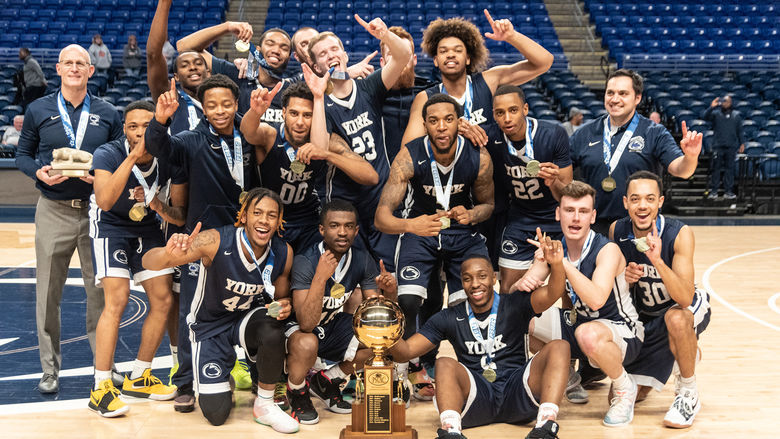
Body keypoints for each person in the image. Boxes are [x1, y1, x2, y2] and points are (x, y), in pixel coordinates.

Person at [144, 74, 263, 411]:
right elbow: (159, 148)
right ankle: (185, 382)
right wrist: (160, 120)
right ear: (202, 108)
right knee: (191, 313)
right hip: (205, 244)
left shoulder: (250, 136)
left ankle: (260, 377)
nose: (220, 110)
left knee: (254, 307)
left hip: (249, 241)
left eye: (226, 103)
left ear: (236, 103)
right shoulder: (191, 140)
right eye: (211, 105)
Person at [142, 188, 299, 432]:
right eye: (257, 213)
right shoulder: (215, 240)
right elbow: (148, 262)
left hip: (246, 320)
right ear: (244, 216)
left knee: (272, 327)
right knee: (216, 414)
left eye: (271, 215)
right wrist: (167, 253)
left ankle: (265, 405)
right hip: (210, 325)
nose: (264, 220)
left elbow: (279, 300)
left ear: (279, 222)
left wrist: (284, 306)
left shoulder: (283, 252)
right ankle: (221, 376)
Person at [16, 44, 123, 394]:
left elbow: (121, 158)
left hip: (96, 213)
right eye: (69, 63)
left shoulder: (108, 112)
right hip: (53, 209)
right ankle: (49, 369)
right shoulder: (38, 109)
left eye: (82, 63)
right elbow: (23, 154)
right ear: (58, 69)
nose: (75, 68)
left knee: (100, 294)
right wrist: (39, 174)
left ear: (91, 71)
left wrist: (103, 178)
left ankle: (103, 366)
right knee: (48, 295)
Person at [375, 94, 495, 393]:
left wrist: (472, 213)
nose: (441, 127)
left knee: (469, 302)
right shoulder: (409, 156)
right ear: (424, 124)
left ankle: (472, 371)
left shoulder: (478, 157)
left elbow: (488, 205)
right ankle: (405, 369)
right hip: (420, 229)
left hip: (461, 233)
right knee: (409, 299)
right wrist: (409, 225)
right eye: (433, 121)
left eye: (448, 119)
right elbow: (381, 218)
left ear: (460, 122)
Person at [390, 254, 570, 439]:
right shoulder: (448, 317)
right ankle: (451, 431)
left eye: (482, 276)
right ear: (462, 283)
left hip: (518, 390)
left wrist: (556, 263)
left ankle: (545, 426)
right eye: (467, 279)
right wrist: (387, 315)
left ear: (493, 278)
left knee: (560, 346)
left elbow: (553, 292)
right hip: (477, 397)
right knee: (443, 363)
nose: (475, 284)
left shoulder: (515, 303)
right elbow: (406, 353)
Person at [524, 181, 644, 427]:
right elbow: (524, 292)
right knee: (523, 320)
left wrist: (561, 263)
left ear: (593, 216)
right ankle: (567, 373)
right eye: (569, 210)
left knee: (587, 333)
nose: (575, 218)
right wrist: (532, 273)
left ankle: (624, 387)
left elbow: (597, 299)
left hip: (621, 330)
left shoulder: (606, 250)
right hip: (580, 326)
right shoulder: (556, 246)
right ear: (559, 214)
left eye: (583, 211)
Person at [87, 100, 180, 417]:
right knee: (118, 299)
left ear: (158, 126)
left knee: (163, 299)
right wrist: (131, 158)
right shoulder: (108, 153)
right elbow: (105, 200)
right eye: (132, 126)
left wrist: (157, 205)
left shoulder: (169, 154)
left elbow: (178, 212)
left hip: (147, 227)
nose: (140, 132)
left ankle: (140, 376)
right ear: (123, 129)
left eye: (146, 125)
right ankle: (101, 387)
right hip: (111, 226)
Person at [308, 16, 412, 270]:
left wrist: (385, 35)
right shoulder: (319, 104)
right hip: (344, 203)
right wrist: (319, 97)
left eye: (334, 49)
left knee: (389, 271)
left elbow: (403, 56)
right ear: (315, 65)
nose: (330, 55)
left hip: (381, 199)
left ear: (344, 54)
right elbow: (319, 149)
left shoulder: (368, 87)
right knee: (354, 277)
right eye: (322, 54)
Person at [610, 171, 711, 429]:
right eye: (635, 199)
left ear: (660, 202)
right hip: (647, 316)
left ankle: (688, 391)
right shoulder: (617, 231)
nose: (642, 205)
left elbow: (685, 297)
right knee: (628, 395)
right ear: (625, 203)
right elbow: (616, 288)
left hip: (683, 307)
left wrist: (657, 262)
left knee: (676, 319)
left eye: (649, 199)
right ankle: (681, 351)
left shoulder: (679, 233)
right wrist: (625, 278)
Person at [284, 200, 397, 424]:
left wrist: (391, 293)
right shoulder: (305, 261)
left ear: (356, 230)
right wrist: (320, 277)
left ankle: (327, 381)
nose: (342, 232)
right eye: (334, 226)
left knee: (379, 337)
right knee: (307, 342)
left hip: (331, 326)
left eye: (348, 226)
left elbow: (376, 314)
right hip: (298, 330)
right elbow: (306, 323)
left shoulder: (362, 259)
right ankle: (297, 391)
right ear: (322, 230)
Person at [241, 73, 378, 253]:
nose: (299, 122)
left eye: (307, 115)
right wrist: (255, 112)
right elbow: (248, 132)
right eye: (294, 113)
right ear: (283, 113)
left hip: (307, 221)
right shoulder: (270, 135)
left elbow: (371, 176)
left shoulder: (328, 141)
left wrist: (327, 155)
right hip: (271, 219)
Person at [569, 69, 702, 234]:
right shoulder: (585, 133)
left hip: (639, 228)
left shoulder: (654, 132)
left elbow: (682, 171)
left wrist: (691, 156)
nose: (615, 99)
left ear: (637, 98)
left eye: (623, 93)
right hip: (594, 228)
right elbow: (562, 172)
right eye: (610, 93)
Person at [402, 10, 554, 149]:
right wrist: (450, 131)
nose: (450, 55)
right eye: (443, 51)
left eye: (458, 50)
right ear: (435, 60)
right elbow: (408, 149)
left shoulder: (489, 80)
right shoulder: (426, 98)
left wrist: (512, 36)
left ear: (468, 58)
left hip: (490, 172)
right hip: (448, 175)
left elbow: (544, 62)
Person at [488, 85, 572, 293]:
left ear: (525, 109)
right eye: (500, 113)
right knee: (509, 289)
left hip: (556, 221)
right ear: (494, 116)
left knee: (568, 289)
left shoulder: (553, 134)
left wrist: (554, 182)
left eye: (513, 110)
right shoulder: (489, 138)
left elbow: (568, 196)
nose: (507, 118)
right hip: (520, 218)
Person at [177, 21, 293, 124]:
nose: (276, 50)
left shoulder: (293, 90)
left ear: (289, 57)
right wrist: (228, 26)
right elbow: (184, 47)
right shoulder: (237, 75)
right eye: (270, 43)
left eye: (284, 48)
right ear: (257, 50)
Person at [380, 26, 429, 163]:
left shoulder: (432, 93)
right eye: (392, 54)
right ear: (382, 62)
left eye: (404, 53)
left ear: (414, 59)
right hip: (380, 180)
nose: (399, 59)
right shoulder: (369, 96)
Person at [703, 95, 744, 200]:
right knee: (716, 169)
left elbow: (739, 131)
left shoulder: (736, 116)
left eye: (725, 101)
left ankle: (728, 191)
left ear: (730, 103)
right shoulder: (716, 114)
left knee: (729, 169)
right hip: (718, 146)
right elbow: (705, 117)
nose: (723, 103)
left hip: (731, 146)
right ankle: (714, 191)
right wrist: (711, 107)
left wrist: (742, 143)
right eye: (722, 101)